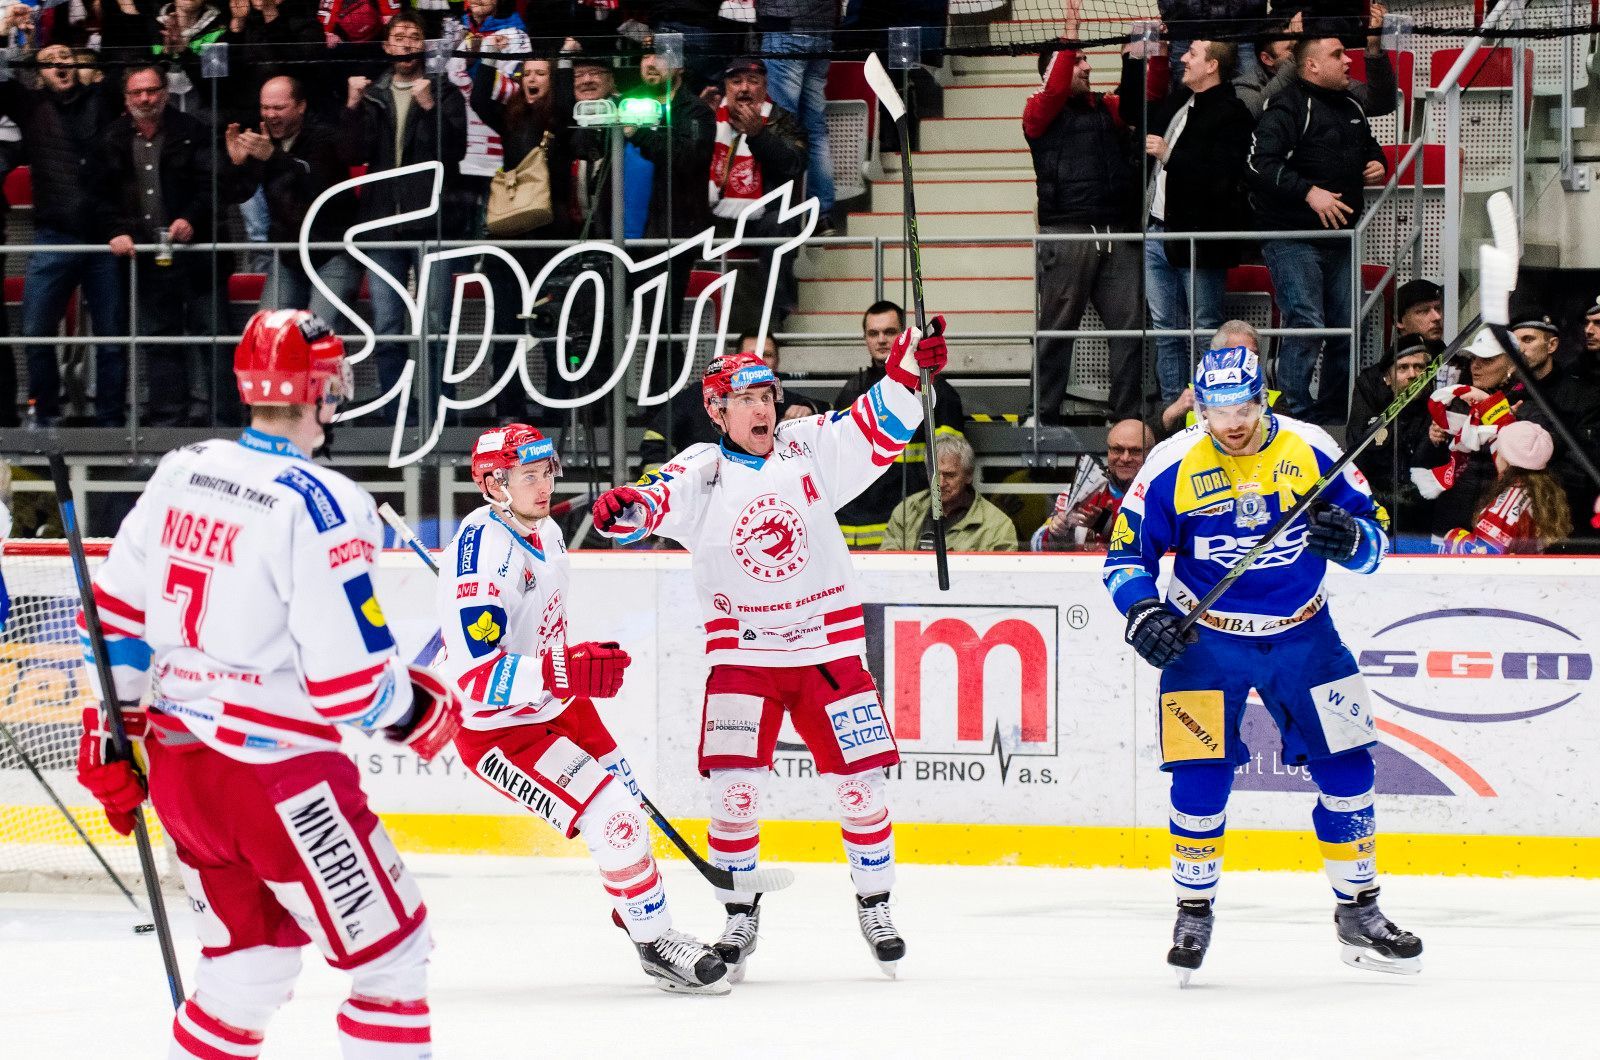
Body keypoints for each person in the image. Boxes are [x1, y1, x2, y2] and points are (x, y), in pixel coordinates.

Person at [72, 308, 463, 1058]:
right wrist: (419, 710)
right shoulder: (321, 501)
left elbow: (113, 615)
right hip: (281, 785)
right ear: (320, 389)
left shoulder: (184, 465)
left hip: (184, 774)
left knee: (244, 969)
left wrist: (106, 733)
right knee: (392, 962)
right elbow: (351, 687)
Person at [589, 319, 953, 980]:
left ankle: (875, 902)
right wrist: (626, 511)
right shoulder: (699, 472)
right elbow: (651, 500)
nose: (764, 408)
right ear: (717, 409)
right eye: (748, 399)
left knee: (861, 787)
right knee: (733, 792)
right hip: (744, 657)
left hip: (827, 647)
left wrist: (908, 370)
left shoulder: (808, 447)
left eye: (768, 394)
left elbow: (878, 426)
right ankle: (738, 911)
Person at [1105, 344, 1421, 983]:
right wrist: (1143, 613)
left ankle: (1359, 909)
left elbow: (1378, 536)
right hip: (1205, 643)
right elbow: (1122, 559)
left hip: (1307, 637)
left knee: (1350, 768)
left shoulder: (1312, 450)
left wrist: (1355, 541)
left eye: (1244, 406)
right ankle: (1193, 909)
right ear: (1199, 407)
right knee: (1197, 779)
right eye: (1218, 410)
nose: (1233, 423)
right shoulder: (1169, 463)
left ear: (1264, 398)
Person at [435, 424, 730, 994]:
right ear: (495, 483)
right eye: (529, 475)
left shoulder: (541, 529)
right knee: (612, 811)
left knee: (625, 795)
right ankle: (655, 941)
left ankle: (633, 904)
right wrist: (561, 669)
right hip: (500, 731)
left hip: (555, 703)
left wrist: (564, 670)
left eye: (548, 471)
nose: (545, 485)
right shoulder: (482, 559)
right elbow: (474, 678)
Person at [1248, 33, 1388, 423]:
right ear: (1311, 65)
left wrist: (1379, 163)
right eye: (1338, 55)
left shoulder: (1351, 107)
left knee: (1346, 327)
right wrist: (1310, 193)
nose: (1348, 62)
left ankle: (1333, 414)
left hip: (1340, 236)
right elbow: (1259, 164)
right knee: (1306, 323)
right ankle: (1292, 413)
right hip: (1291, 236)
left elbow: (1370, 147)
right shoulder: (1286, 107)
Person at [101, 63, 243, 428]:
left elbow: (211, 186)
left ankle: (226, 425)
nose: (145, 98)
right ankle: (167, 426)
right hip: (146, 260)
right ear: (126, 97)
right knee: (159, 344)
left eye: (152, 90)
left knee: (214, 341)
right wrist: (115, 230)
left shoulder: (195, 131)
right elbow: (99, 196)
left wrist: (192, 218)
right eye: (137, 92)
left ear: (166, 93)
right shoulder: (111, 137)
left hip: (199, 258)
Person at [1024, 11, 1149, 423]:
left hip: (1118, 231)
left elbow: (1139, 103)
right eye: (1079, 61)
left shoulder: (1106, 107)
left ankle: (1127, 416)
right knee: (1057, 329)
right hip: (1069, 231)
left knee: (1131, 330)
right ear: (1055, 70)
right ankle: (1041, 414)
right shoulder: (1037, 112)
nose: (1088, 66)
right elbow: (1056, 86)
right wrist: (1071, 36)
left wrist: (1142, 57)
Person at [341, 9, 468, 396]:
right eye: (399, 37)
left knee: (435, 322)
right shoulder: (372, 93)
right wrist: (351, 105)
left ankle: (438, 409)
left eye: (414, 37)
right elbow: (352, 151)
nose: (407, 44)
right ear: (386, 46)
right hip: (382, 224)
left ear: (425, 46)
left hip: (431, 222)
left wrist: (430, 108)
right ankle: (395, 409)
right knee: (386, 323)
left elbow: (454, 152)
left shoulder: (443, 91)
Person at [0, 39, 124, 426]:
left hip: (105, 237)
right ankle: (46, 413)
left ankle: (110, 419)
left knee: (112, 337)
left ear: (79, 64)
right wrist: (4, 36)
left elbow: (122, 69)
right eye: (49, 61)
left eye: (66, 57)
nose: (59, 65)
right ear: (38, 74)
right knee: (36, 332)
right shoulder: (30, 105)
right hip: (53, 235)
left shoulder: (102, 100)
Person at [1142, 40, 1253, 405]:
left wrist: (1171, 156)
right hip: (1157, 230)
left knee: (1205, 328)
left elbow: (1222, 177)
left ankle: (1213, 405)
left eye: (1192, 54)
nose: (1184, 59)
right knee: (1165, 330)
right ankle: (1176, 408)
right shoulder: (1178, 102)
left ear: (1212, 66)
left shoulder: (1232, 112)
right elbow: (1135, 109)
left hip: (1199, 238)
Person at [834, 301, 966, 547]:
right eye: (873, 333)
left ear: (904, 334)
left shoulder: (936, 392)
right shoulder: (852, 391)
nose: (881, 340)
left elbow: (951, 466)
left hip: (909, 527)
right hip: (853, 525)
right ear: (865, 338)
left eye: (890, 332)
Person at [230, 75, 362, 319]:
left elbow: (316, 181)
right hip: (289, 258)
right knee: (270, 332)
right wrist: (238, 165)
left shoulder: (324, 137)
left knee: (319, 335)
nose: (270, 115)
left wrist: (273, 157)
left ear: (301, 106)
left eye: (279, 107)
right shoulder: (265, 143)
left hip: (332, 253)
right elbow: (239, 194)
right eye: (265, 108)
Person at [706, 56, 808, 332]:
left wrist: (758, 135)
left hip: (765, 212)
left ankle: (771, 325)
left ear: (764, 86)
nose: (744, 89)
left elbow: (794, 164)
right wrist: (699, 120)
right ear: (725, 86)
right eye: (736, 81)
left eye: (752, 81)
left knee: (777, 229)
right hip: (714, 214)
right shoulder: (708, 116)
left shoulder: (782, 120)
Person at [1501, 303, 1600, 538]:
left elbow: (1584, 465)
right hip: (1509, 521)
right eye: (1515, 343)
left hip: (1565, 521)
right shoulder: (1506, 396)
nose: (1520, 349)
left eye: (1528, 340)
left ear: (1552, 344)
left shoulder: (1583, 394)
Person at [1238, 5, 1399, 121]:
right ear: (1267, 59)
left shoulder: (1323, 78)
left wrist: (1373, 47)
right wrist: (1297, 56)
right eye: (1291, 49)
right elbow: (1253, 114)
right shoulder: (1247, 84)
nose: (1302, 56)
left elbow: (1380, 104)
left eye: (1302, 47)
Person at [755, 0, 836, 231]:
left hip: (786, 29)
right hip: (821, 31)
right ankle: (822, 215)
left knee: (781, 125)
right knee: (816, 129)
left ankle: (782, 215)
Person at [1441, 420, 1572, 553]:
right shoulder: (1539, 490)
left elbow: (1482, 554)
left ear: (1508, 459)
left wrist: (1454, 536)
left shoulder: (1507, 505)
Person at [1033, 418, 1154, 550]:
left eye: (1135, 451)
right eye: (1117, 450)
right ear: (1108, 451)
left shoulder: (1165, 493)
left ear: (1151, 452)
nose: (1125, 458)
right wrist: (1057, 534)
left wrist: (1107, 527)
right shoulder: (1080, 491)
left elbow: (1168, 549)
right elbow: (1036, 547)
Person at [881, 435, 1016, 551]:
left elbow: (1002, 579)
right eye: (934, 474)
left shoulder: (998, 525)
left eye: (949, 475)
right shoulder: (907, 511)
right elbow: (887, 568)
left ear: (969, 475)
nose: (940, 482)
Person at [1395, 279, 1443, 343]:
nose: (1437, 317)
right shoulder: (1397, 353)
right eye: (1424, 311)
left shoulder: (1443, 350)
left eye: (1438, 309)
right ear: (1398, 321)